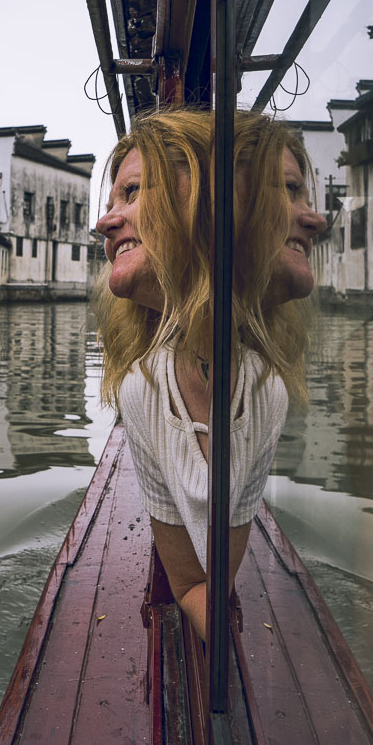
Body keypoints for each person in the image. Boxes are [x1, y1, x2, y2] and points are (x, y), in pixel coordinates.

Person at [93, 108, 327, 641]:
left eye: (131, 194)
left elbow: (206, 585)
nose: (315, 220)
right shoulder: (143, 391)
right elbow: (193, 585)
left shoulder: (265, 391)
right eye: (288, 191)